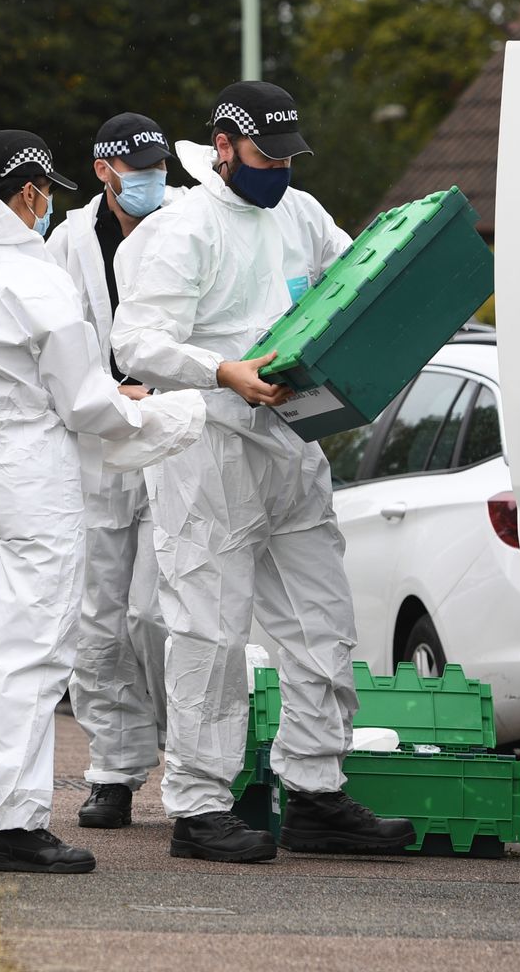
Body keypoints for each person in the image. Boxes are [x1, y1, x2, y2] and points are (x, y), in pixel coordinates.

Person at [111, 81, 418, 862]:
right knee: (208, 633)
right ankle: (199, 806)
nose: (278, 168)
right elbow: (137, 342)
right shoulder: (184, 229)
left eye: (288, 155)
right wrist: (223, 370)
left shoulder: (300, 211)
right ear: (223, 146)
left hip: (289, 442)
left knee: (323, 623)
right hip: (208, 449)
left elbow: (356, 277)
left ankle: (316, 789)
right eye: (263, 154)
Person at [0, 129, 203, 874]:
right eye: (45, 194)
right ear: (28, 194)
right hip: (34, 484)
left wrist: (100, 398)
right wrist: (153, 412)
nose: (49, 209)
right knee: (34, 653)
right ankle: (17, 825)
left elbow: (14, 383)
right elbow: (82, 405)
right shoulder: (39, 278)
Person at [49, 112, 173, 829]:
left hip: (174, 433)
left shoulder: (187, 221)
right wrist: (101, 390)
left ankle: (188, 753)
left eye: (158, 166)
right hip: (98, 446)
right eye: (137, 168)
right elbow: (56, 343)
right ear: (103, 169)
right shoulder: (66, 242)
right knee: (96, 622)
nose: (153, 180)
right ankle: (115, 769)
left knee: (158, 612)